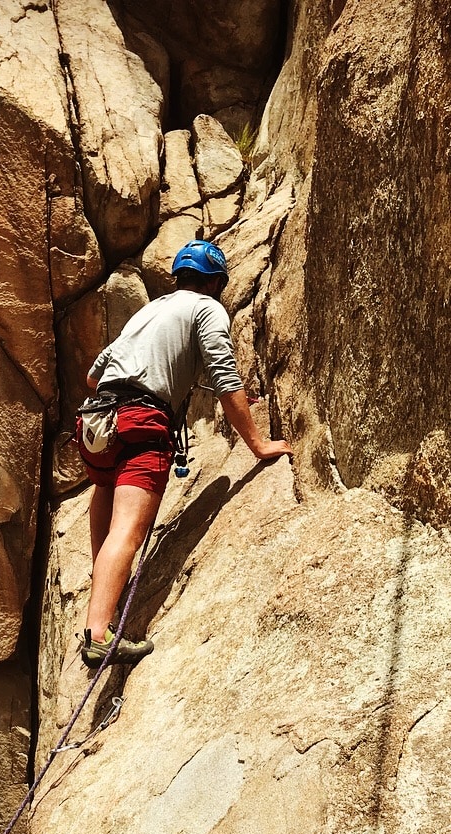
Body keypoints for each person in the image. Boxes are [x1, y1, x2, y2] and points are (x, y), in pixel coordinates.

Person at [75, 239, 293, 668]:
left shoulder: (148, 311)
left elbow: (92, 374)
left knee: (104, 488)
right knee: (129, 531)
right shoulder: (206, 308)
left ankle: (105, 601)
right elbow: (226, 377)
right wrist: (258, 444)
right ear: (215, 281)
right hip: (141, 422)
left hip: (94, 423)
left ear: (179, 275)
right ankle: (99, 635)